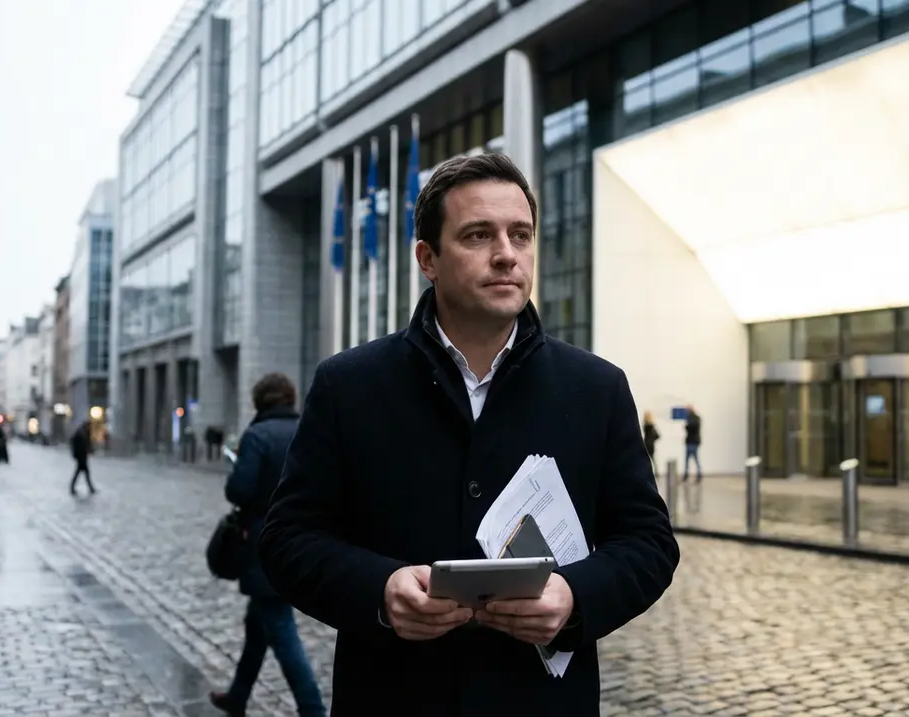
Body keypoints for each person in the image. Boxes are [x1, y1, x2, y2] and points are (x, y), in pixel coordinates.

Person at [259, 153, 679, 715]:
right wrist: (380, 590)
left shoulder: (597, 388)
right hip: (393, 700)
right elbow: (287, 540)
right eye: (479, 235)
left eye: (520, 235)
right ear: (427, 259)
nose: (506, 254)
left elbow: (649, 542)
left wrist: (576, 596)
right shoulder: (348, 385)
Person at [209, 372, 326, 717]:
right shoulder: (306, 429)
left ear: (259, 401)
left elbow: (239, 490)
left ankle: (313, 710)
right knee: (257, 627)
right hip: (302, 540)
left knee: (282, 632)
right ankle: (237, 696)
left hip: (264, 544)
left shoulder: (257, 435)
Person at [69, 421, 96, 495]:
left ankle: (90, 488)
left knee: (82, 473)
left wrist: (90, 450)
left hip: (83, 457)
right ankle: (90, 489)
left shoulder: (85, 433)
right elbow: (76, 444)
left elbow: (87, 444)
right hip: (80, 457)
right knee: (84, 473)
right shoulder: (79, 434)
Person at [683, 405, 702, 481]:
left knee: (693, 459)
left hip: (691, 441)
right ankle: (690, 475)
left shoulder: (691, 418)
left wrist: (686, 426)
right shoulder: (697, 418)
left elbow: (690, 428)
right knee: (691, 459)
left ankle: (695, 474)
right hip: (694, 441)